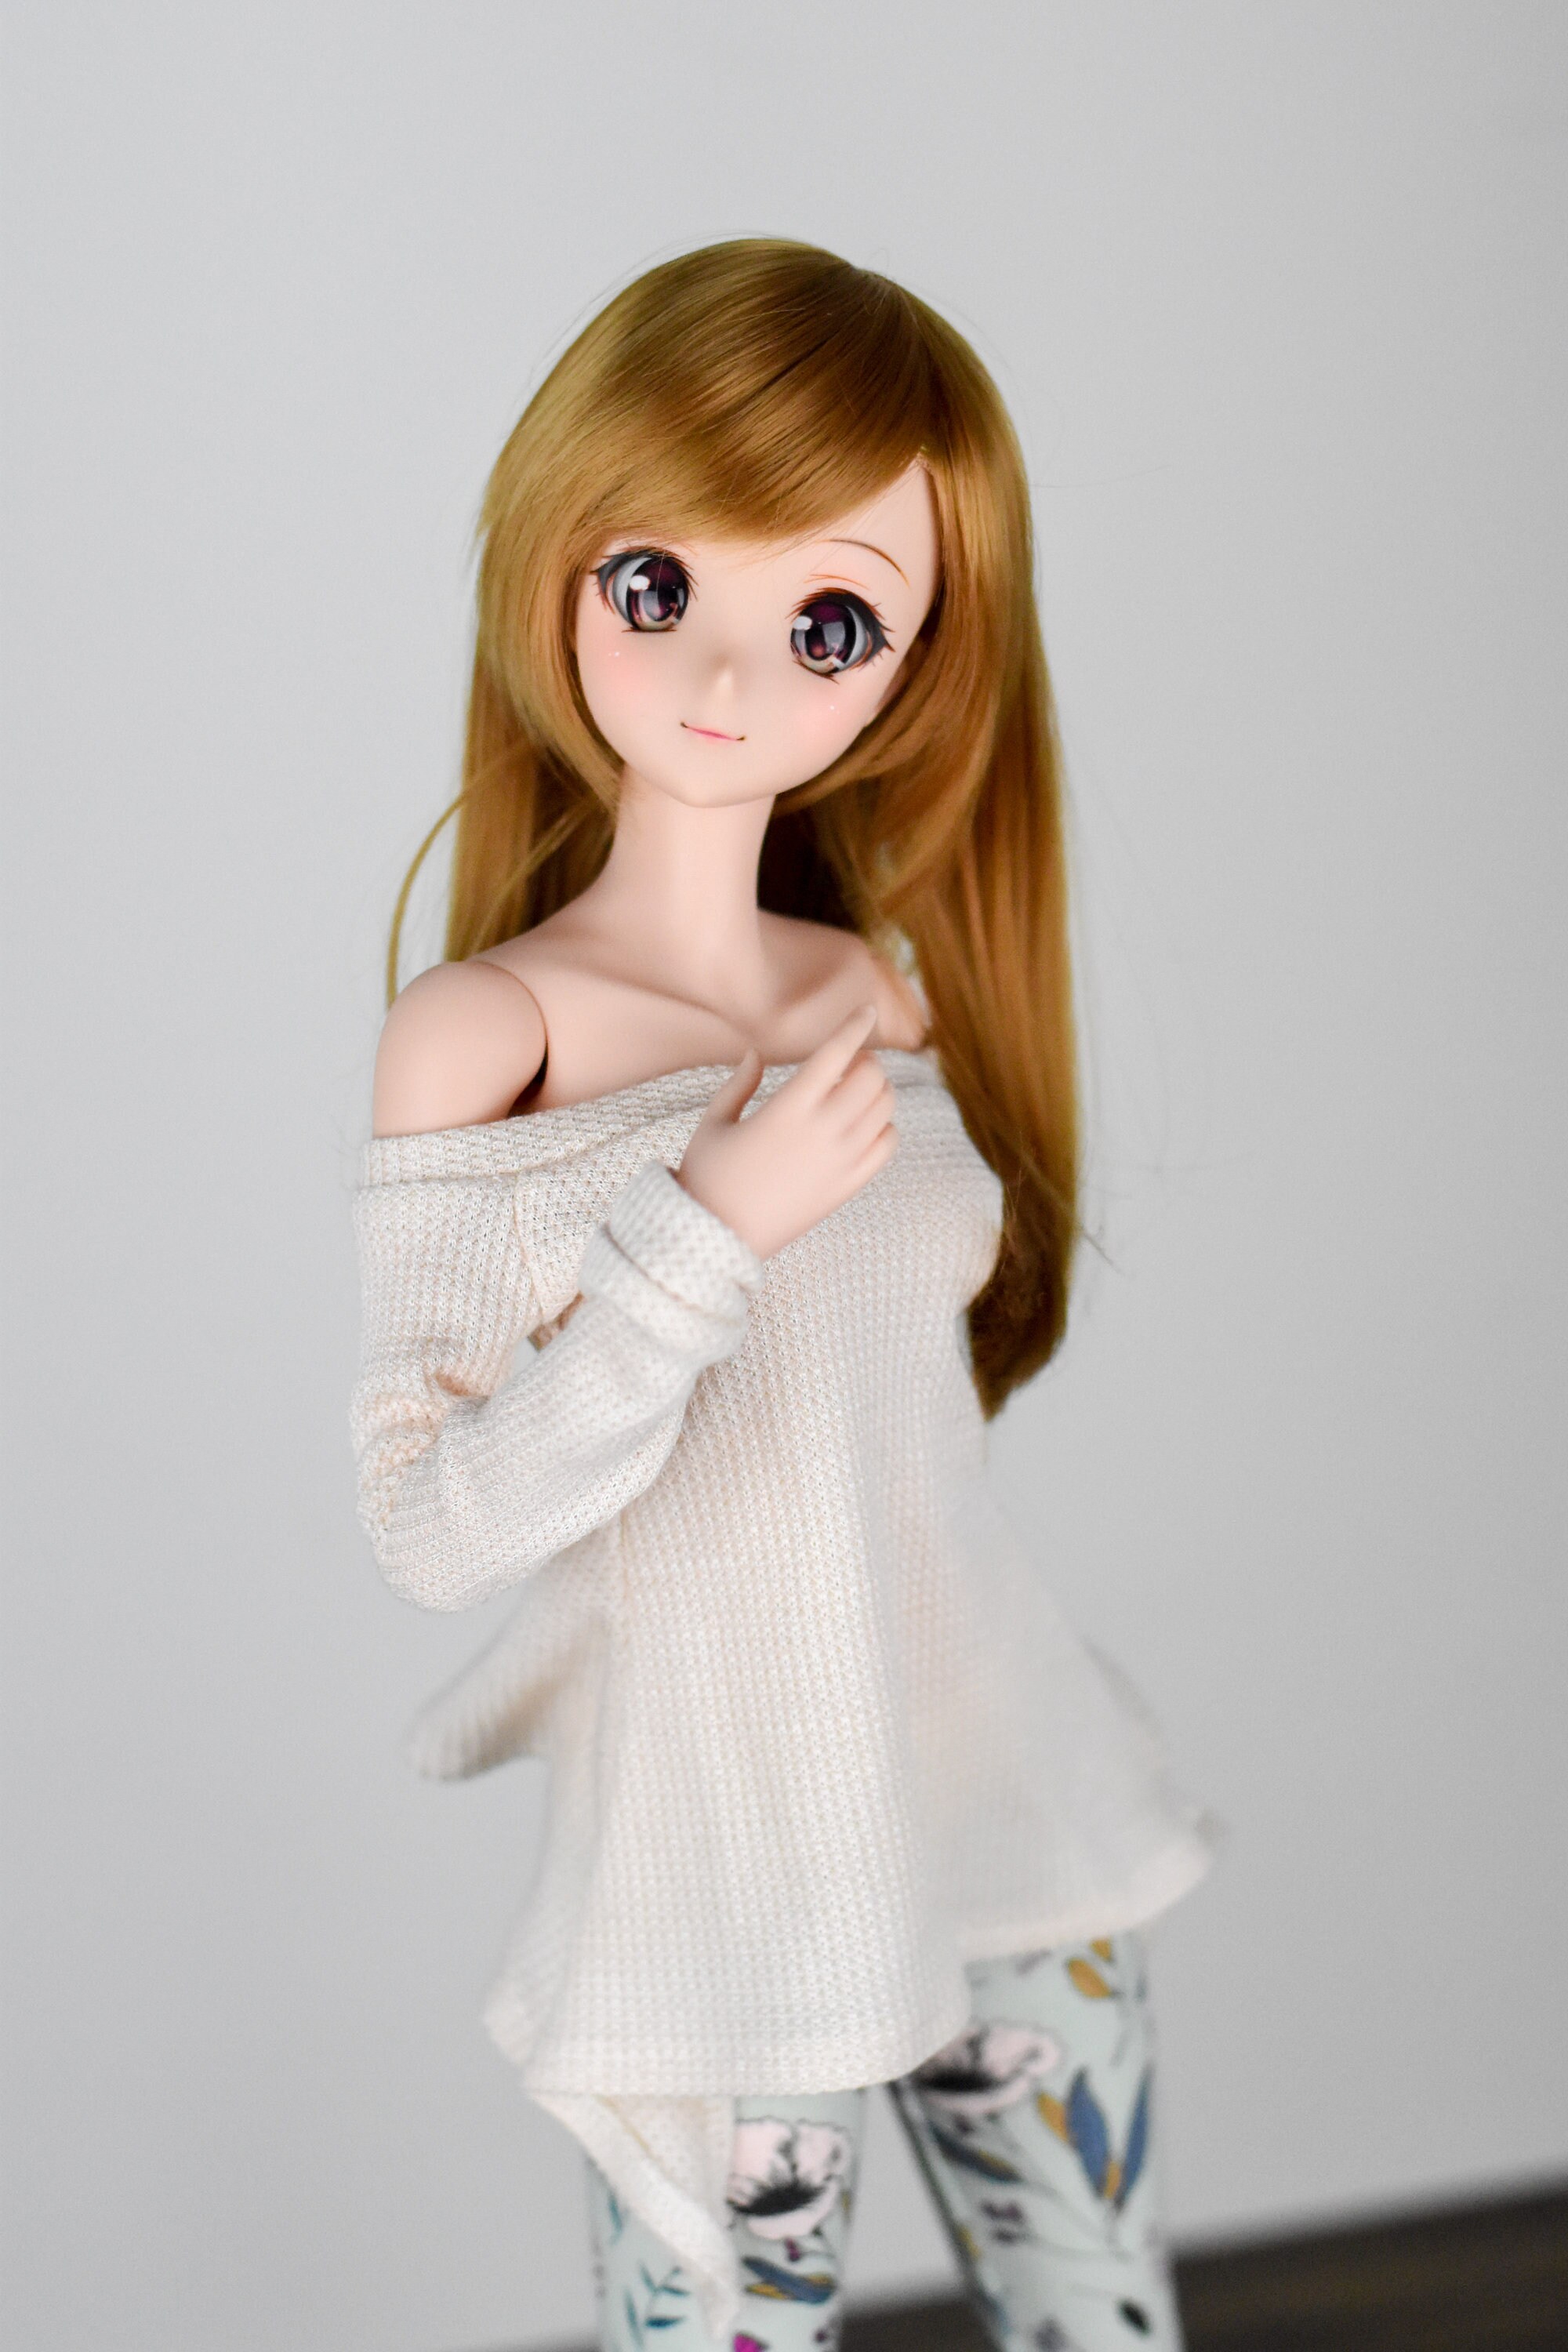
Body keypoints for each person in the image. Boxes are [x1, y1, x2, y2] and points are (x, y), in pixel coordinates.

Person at [350, 238, 1215, 2350]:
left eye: (829, 621)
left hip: (995, 1766)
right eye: (659, 585)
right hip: (731, 1858)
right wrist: (701, 1235)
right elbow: (431, 1524)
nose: (729, 677)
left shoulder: (876, 994)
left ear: (915, 662)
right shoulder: (492, 1040)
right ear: (557, 562)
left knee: (1100, 2310)